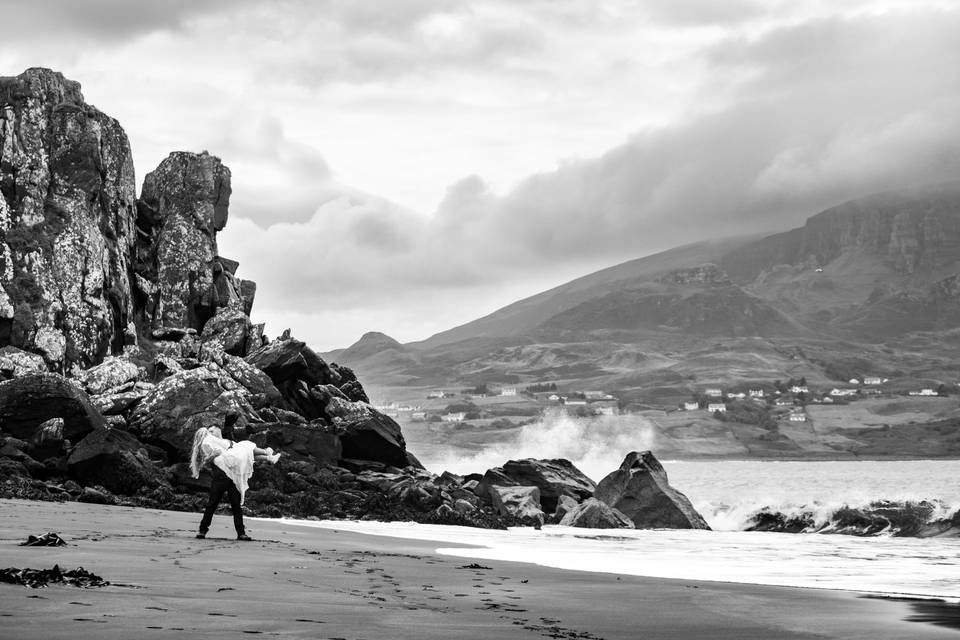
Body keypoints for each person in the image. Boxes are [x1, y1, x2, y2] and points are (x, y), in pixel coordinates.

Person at [190, 425, 280, 541]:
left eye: (212, 430)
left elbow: (246, 455)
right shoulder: (209, 444)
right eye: (209, 431)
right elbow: (204, 461)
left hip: (234, 478)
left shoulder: (228, 441)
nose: (210, 433)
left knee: (236, 506)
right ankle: (202, 531)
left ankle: (241, 533)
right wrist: (213, 455)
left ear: (219, 430)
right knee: (211, 505)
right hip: (220, 477)